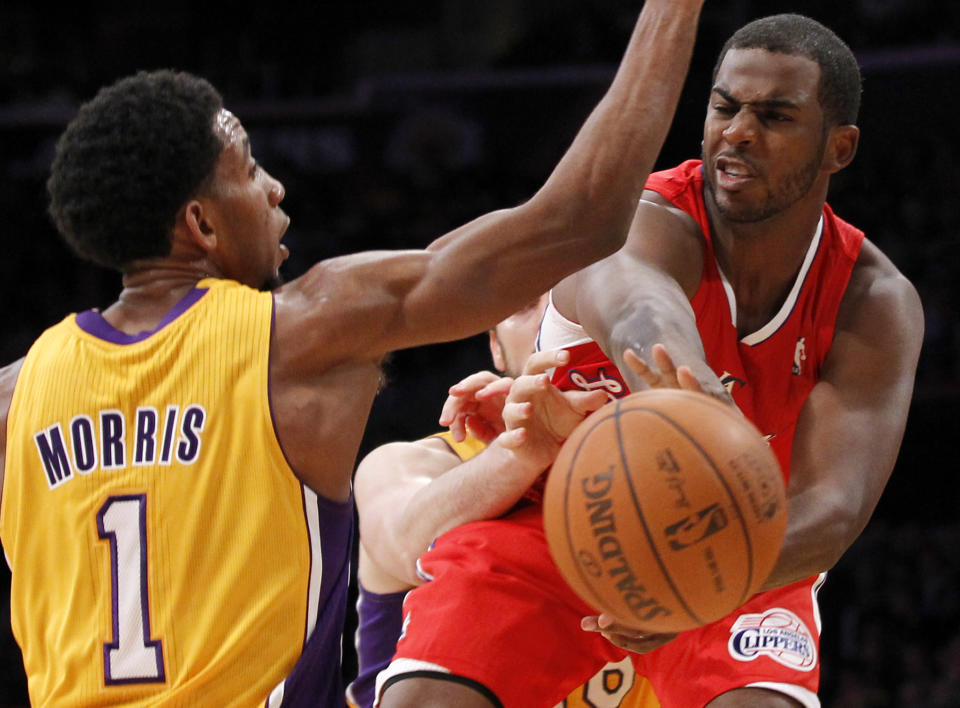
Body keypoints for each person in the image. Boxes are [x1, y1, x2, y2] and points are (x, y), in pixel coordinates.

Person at [0, 1, 707, 705]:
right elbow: (581, 216)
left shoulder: (17, 394)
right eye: (248, 172)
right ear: (200, 224)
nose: (274, 188)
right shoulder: (299, 334)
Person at [379, 13, 923, 708]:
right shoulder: (642, 220)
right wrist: (691, 396)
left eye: (775, 116)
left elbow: (834, 508)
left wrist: (706, 581)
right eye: (724, 107)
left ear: (837, 148)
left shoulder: (872, 301)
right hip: (554, 524)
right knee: (425, 701)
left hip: (733, 547)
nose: (738, 132)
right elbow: (635, 298)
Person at [348, 295, 661, 708]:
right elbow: (405, 541)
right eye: (526, 305)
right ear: (495, 346)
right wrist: (519, 455)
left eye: (568, 304)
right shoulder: (412, 460)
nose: (554, 320)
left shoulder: (674, 474)